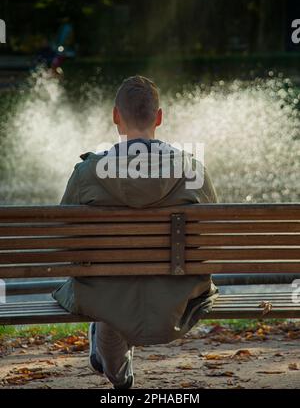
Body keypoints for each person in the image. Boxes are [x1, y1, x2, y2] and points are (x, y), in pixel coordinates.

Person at [53, 76, 219, 389]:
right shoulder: (193, 170)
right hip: (175, 296)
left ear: (117, 116)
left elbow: (64, 241)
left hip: (105, 292)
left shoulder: (87, 172)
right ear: (159, 117)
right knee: (126, 289)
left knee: (113, 290)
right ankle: (116, 364)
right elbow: (209, 240)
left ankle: (116, 368)